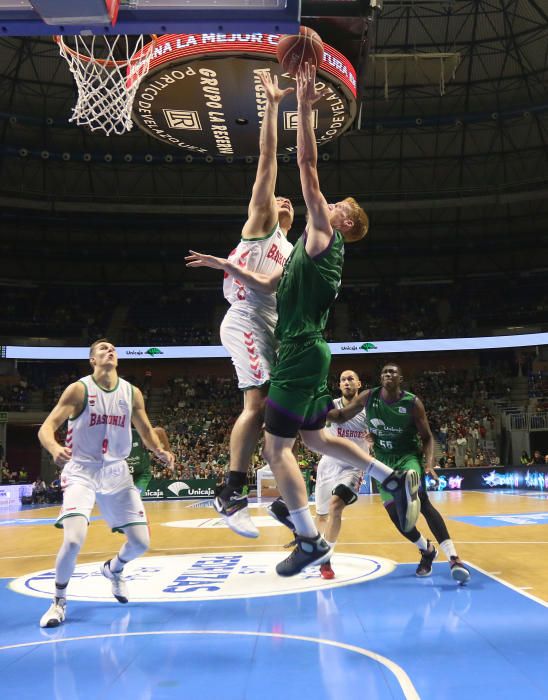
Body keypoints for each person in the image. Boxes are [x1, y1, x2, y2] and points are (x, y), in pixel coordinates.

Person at [189, 65, 421, 576]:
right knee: (314, 439)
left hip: (295, 347)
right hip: (296, 341)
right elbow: (271, 283)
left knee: (278, 447)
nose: (326, 202)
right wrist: (229, 266)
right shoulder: (295, 249)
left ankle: (296, 528)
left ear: (342, 221)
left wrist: (305, 110)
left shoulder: (320, 236)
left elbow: (305, 167)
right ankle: (387, 476)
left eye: (338, 206)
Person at [186, 71, 294, 538]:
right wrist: (273, 106)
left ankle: (279, 496)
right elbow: (268, 159)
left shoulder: (293, 253)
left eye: (291, 202)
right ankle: (230, 491)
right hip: (246, 317)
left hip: (270, 324)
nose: (283, 200)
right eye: (278, 198)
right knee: (258, 402)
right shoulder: (260, 224)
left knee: (277, 407)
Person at [37, 339, 174, 628]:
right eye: (102, 349)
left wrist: (158, 450)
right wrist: (53, 449)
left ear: (117, 360)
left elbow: (146, 430)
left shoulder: (132, 392)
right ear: (92, 360)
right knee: (73, 539)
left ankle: (114, 569)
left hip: (116, 471)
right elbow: (46, 428)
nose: (109, 351)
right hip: (81, 470)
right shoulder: (78, 389)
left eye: (112, 349)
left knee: (140, 543)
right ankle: (59, 601)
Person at [327, 362, 470, 583]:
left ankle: (454, 558)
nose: (388, 374)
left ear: (400, 378)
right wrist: (316, 408)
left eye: (393, 372)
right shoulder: (368, 397)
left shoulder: (412, 403)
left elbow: (427, 437)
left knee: (422, 501)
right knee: (398, 518)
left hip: (407, 457)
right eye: (384, 372)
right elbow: (340, 416)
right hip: (383, 462)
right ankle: (426, 550)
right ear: (380, 378)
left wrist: (429, 464)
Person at [313, 369, 368, 580]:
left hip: (353, 466)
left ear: (359, 383)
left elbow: (377, 435)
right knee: (321, 514)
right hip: (328, 464)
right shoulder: (331, 405)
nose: (346, 382)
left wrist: (374, 438)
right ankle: (317, 550)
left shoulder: (368, 410)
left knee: (336, 506)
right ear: (339, 385)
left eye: (350, 379)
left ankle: (326, 559)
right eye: (343, 379)